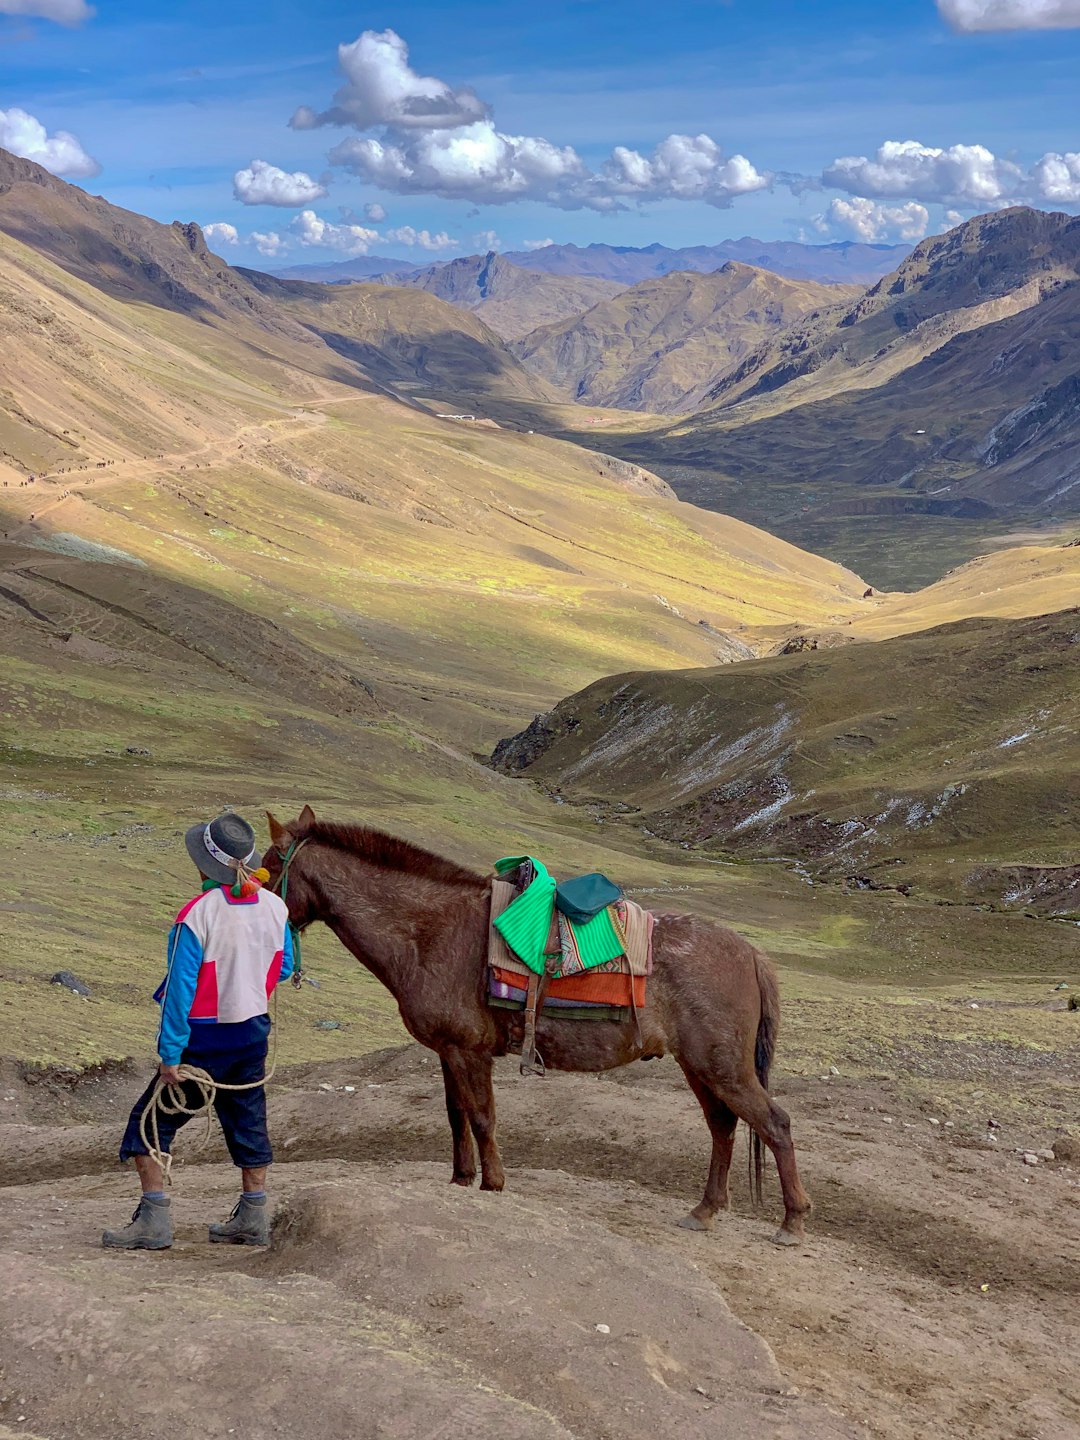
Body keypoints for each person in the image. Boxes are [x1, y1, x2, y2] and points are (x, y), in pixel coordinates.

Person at [103, 812, 293, 1251]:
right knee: (248, 1119)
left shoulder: (197, 914)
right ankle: (253, 1215)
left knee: (148, 1125)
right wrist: (247, 979)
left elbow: (180, 989)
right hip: (252, 1032)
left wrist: (170, 1053)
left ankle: (153, 1221)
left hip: (202, 1040)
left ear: (204, 867)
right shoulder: (275, 906)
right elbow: (284, 967)